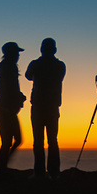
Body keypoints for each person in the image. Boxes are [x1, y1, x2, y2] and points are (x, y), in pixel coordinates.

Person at [25, 38, 67, 179]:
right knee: (52, 140)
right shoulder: (60, 65)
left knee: (38, 140)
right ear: (54, 50)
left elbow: (27, 76)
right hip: (52, 106)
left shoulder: (36, 64)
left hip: (38, 106)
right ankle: (54, 172)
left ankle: (39, 173)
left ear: (41, 50)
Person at [0, 41, 27, 173]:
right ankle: (2, 169)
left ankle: (2, 168)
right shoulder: (9, 68)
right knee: (11, 141)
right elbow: (8, 89)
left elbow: (7, 88)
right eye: (17, 53)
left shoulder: (6, 68)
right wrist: (18, 97)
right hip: (5, 110)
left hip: (4, 109)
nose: (18, 56)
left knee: (10, 141)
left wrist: (18, 96)